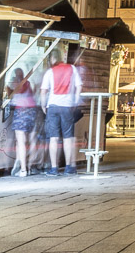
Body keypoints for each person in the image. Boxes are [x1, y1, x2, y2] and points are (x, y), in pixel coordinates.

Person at [40, 45, 82, 175]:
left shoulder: (50, 72)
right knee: (68, 137)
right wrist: (75, 100)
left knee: (53, 138)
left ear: (53, 58)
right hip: (67, 106)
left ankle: (54, 168)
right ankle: (69, 167)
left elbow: (43, 91)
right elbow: (79, 86)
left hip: (53, 106)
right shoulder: (72, 69)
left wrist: (43, 105)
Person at [6, 67, 37, 177]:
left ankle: (23, 170)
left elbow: (10, 94)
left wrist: (6, 88)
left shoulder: (15, 83)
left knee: (20, 141)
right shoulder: (27, 83)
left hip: (21, 110)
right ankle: (29, 165)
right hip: (32, 110)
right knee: (30, 140)